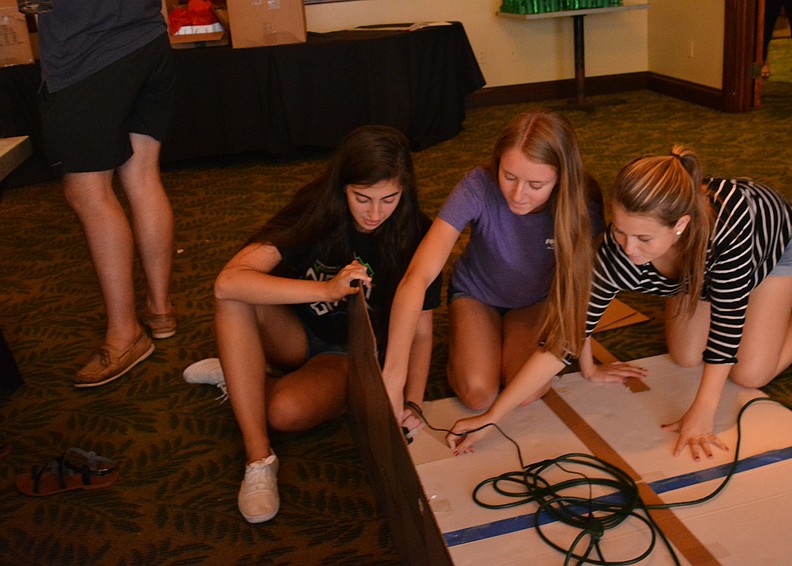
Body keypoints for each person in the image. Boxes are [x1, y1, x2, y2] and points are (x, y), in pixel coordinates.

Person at [448, 146, 792, 462]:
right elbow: (564, 340)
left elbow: (728, 325)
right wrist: (492, 416)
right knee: (687, 357)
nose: (628, 249)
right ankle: (694, 284)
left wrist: (702, 412)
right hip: (694, 272)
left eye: (643, 239)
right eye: (620, 231)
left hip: (771, 243)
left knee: (750, 373)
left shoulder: (730, 236)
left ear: (680, 225)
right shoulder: (621, 248)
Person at [183, 126, 440, 524]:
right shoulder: (317, 208)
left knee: (284, 412)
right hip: (299, 333)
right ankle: (258, 459)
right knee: (235, 298)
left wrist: (413, 403)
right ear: (343, 188)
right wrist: (326, 290)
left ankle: (239, 375)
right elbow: (228, 281)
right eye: (362, 198)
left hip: (349, 357)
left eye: (389, 198)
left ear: (405, 191)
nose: (375, 213)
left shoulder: (419, 233)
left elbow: (423, 331)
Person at [382, 108, 605, 422]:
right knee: (477, 393)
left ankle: (490, 344)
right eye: (509, 176)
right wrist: (393, 378)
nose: (517, 194)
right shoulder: (478, 184)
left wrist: (589, 365)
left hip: (535, 301)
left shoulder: (584, 202)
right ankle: (464, 344)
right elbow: (418, 276)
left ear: (561, 179)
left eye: (535, 185)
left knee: (525, 392)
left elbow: (583, 288)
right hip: (477, 295)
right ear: (498, 162)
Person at [36, 1, 177, 387]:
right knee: (143, 174)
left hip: (88, 55)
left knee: (87, 192)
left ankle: (124, 333)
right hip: (146, 37)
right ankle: (160, 309)